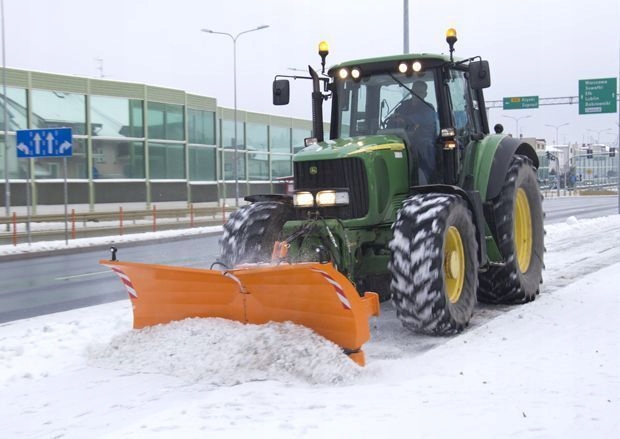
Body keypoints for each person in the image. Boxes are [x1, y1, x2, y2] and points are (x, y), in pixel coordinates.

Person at [389, 80, 438, 183]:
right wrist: (394, 119)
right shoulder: (403, 106)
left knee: (424, 149)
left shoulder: (428, 108)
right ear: (411, 92)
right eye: (415, 91)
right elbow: (394, 120)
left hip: (422, 145)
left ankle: (427, 182)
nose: (417, 94)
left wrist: (404, 119)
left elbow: (420, 119)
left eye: (420, 92)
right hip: (403, 142)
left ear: (425, 94)